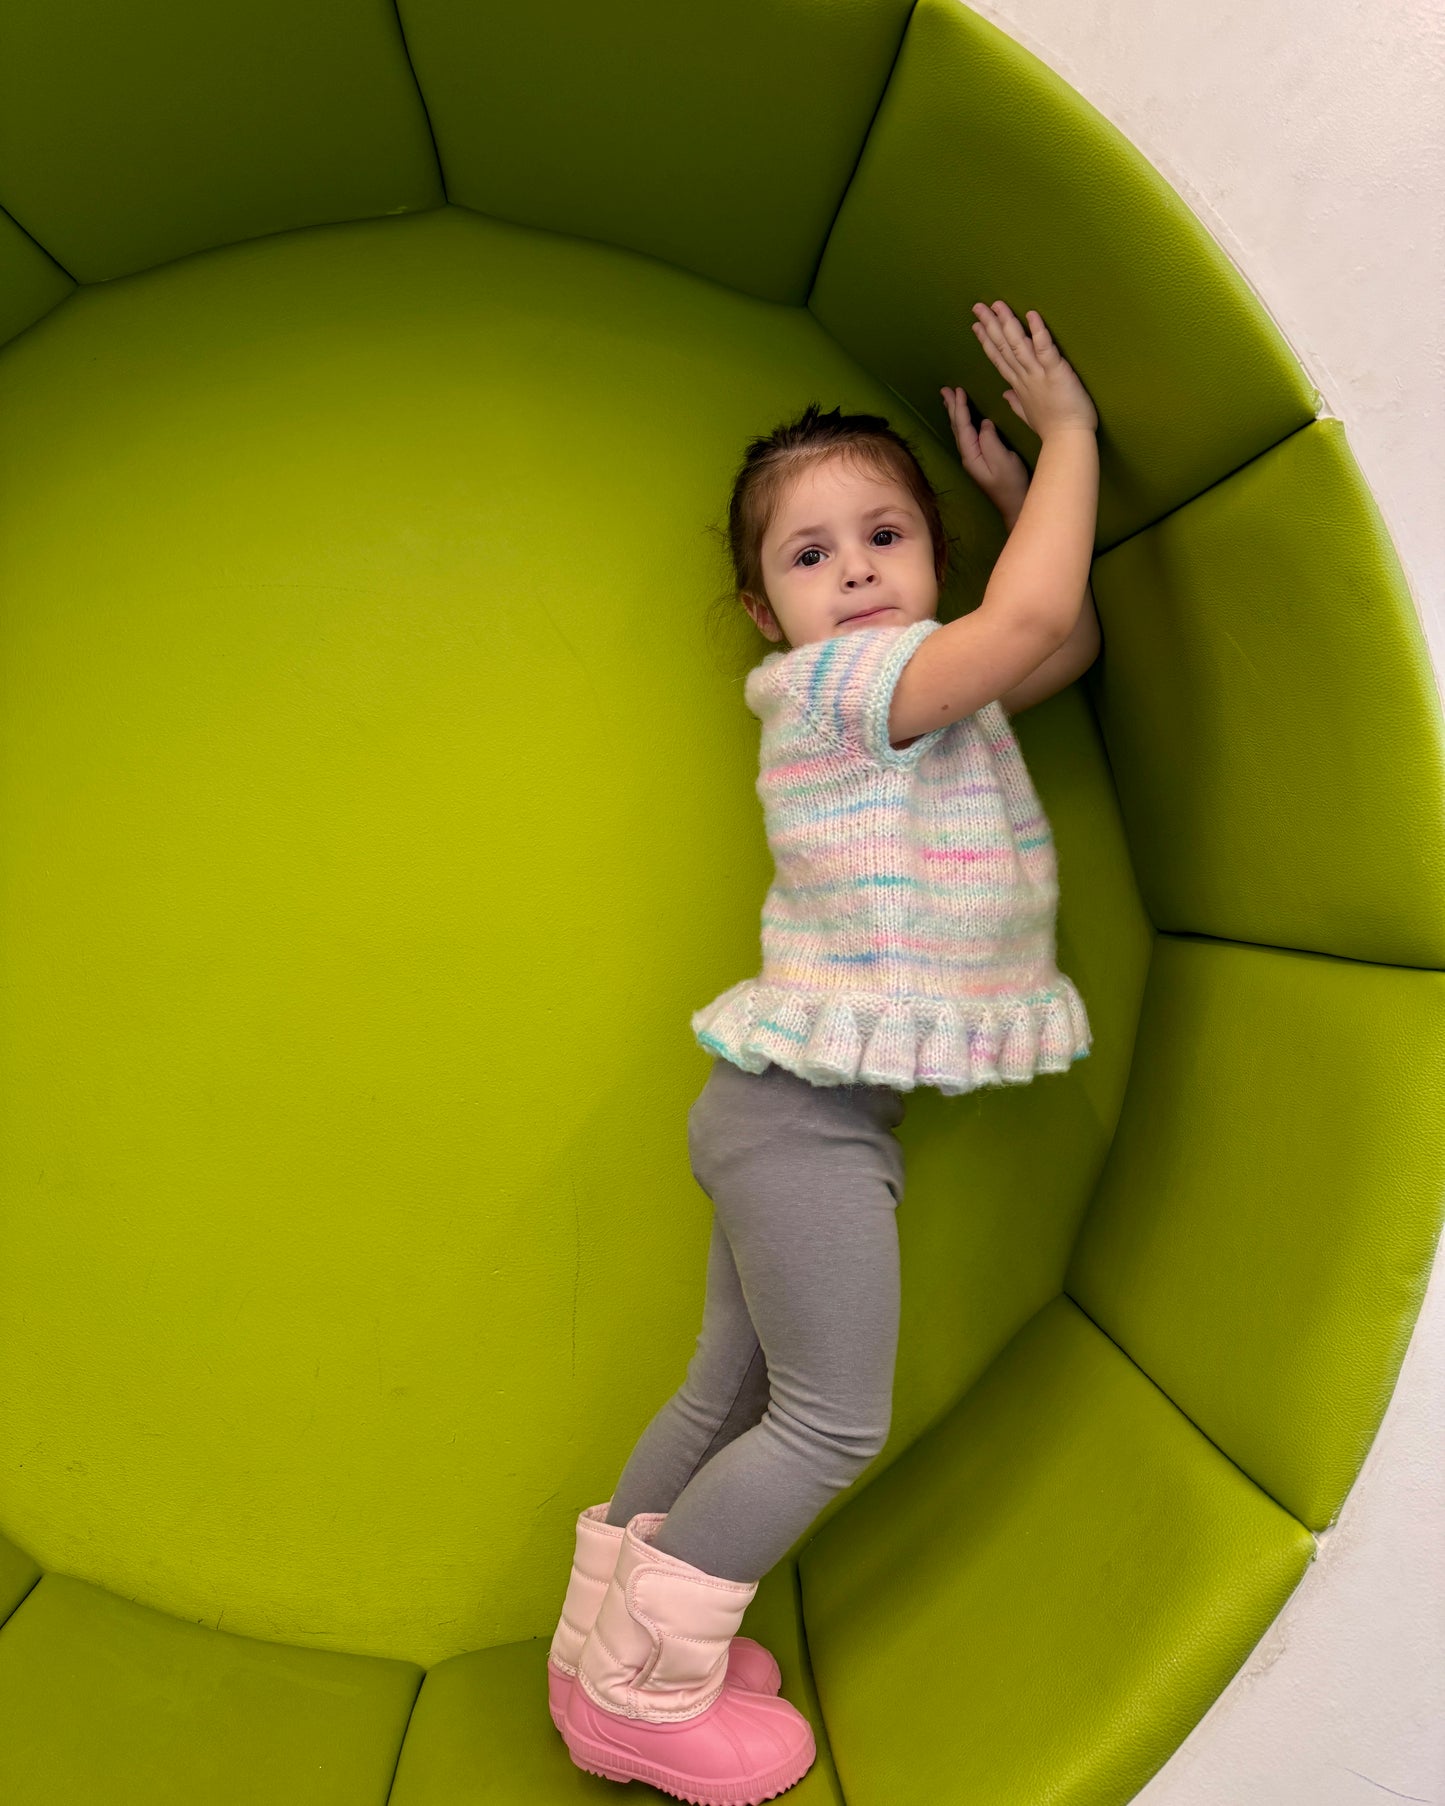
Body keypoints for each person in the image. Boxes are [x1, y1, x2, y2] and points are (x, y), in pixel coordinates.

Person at [550, 300, 1102, 1803]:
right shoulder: (847, 694)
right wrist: (1065, 439)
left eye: (885, 537)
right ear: (763, 610)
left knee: (722, 1395)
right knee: (826, 1422)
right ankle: (638, 1697)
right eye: (810, 553)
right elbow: (1036, 623)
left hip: (777, 1114)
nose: (856, 568)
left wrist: (1010, 512)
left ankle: (597, 1640)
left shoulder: (932, 687)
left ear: (931, 565)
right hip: (801, 1123)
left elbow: (1062, 638)